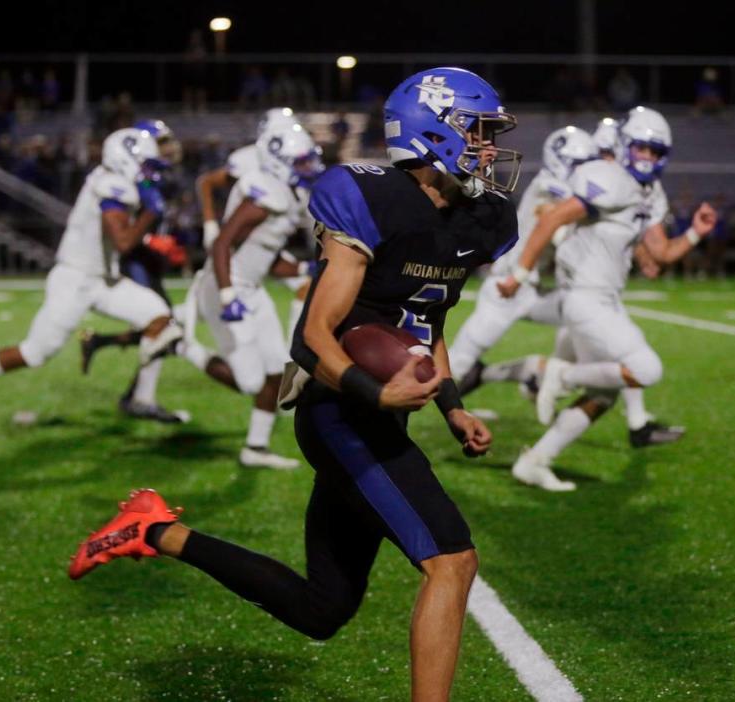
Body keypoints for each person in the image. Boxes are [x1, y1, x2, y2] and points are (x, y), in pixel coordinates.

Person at [69, 67, 521, 702]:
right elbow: (312, 337)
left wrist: (452, 407)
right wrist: (376, 393)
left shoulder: (478, 218)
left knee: (322, 609)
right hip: (337, 411)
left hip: (378, 414)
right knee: (452, 560)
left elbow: (425, 321)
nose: (488, 148)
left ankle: (151, 530)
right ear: (433, 130)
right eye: (476, 132)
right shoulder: (371, 197)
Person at [497, 107, 716, 491]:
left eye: (655, 151)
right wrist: (519, 273)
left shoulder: (650, 192)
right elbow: (551, 220)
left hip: (606, 299)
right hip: (583, 297)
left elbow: (659, 255)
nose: (647, 157)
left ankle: (535, 461)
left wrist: (695, 234)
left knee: (604, 393)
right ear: (626, 146)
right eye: (642, 148)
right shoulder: (610, 177)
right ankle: (559, 374)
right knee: (647, 369)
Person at [0, 129, 182, 413]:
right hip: (75, 279)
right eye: (147, 166)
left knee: (159, 316)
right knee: (35, 353)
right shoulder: (113, 184)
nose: (151, 174)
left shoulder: (108, 177)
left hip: (102, 280)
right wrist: (150, 214)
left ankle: (142, 399)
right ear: (126, 159)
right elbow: (123, 242)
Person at [174, 119, 324, 470]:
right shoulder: (265, 193)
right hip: (225, 287)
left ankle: (255, 448)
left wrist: (304, 270)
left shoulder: (288, 193)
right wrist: (227, 295)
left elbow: (264, 256)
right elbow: (223, 244)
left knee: (277, 370)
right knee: (251, 381)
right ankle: (182, 345)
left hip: (250, 288)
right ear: (278, 162)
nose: (309, 168)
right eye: (300, 161)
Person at [448, 125, 596, 392]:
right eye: (580, 164)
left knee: (587, 315)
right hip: (507, 288)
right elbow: (558, 232)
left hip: (533, 290)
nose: (585, 172)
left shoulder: (560, 187)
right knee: (452, 368)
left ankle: (547, 378)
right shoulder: (549, 187)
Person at [79, 119, 189, 422]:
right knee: (165, 327)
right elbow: (124, 227)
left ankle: (105, 351)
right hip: (136, 257)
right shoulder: (136, 175)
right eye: (163, 141)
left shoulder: (157, 174)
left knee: (160, 327)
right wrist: (154, 240)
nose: (170, 146)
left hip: (148, 257)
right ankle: (140, 398)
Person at [195, 107, 313, 341]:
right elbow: (207, 182)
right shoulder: (247, 159)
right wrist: (210, 225)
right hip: (240, 242)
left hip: (268, 239)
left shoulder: (297, 161)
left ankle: (292, 357)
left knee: (309, 284)